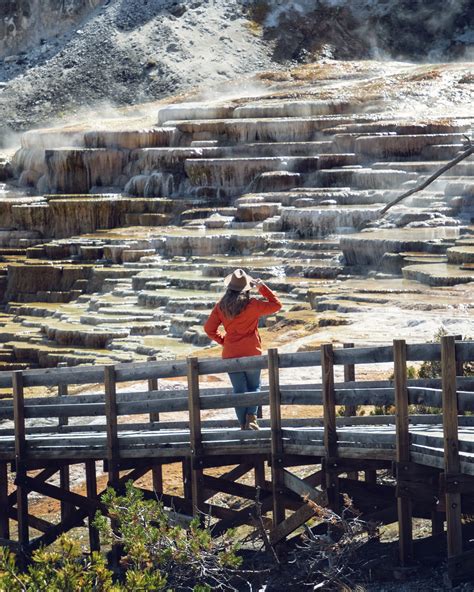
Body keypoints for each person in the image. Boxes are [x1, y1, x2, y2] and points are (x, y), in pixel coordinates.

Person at [203, 269, 282, 430]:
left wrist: (224, 341)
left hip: (231, 354)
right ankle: (251, 418)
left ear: (229, 287)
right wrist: (262, 287)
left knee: (239, 390)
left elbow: (208, 329)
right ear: (247, 288)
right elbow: (277, 305)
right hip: (252, 351)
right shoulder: (252, 304)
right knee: (254, 387)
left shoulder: (221, 306)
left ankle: (242, 425)